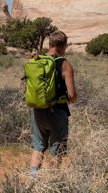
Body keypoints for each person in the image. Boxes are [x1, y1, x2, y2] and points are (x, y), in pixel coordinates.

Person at [29, 30, 77, 176]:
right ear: (63, 46)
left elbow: (26, 89)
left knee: (38, 147)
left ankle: (32, 179)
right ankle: (52, 184)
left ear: (50, 44)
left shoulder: (36, 61)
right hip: (57, 113)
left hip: (37, 111)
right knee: (56, 151)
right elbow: (72, 95)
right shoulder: (64, 64)